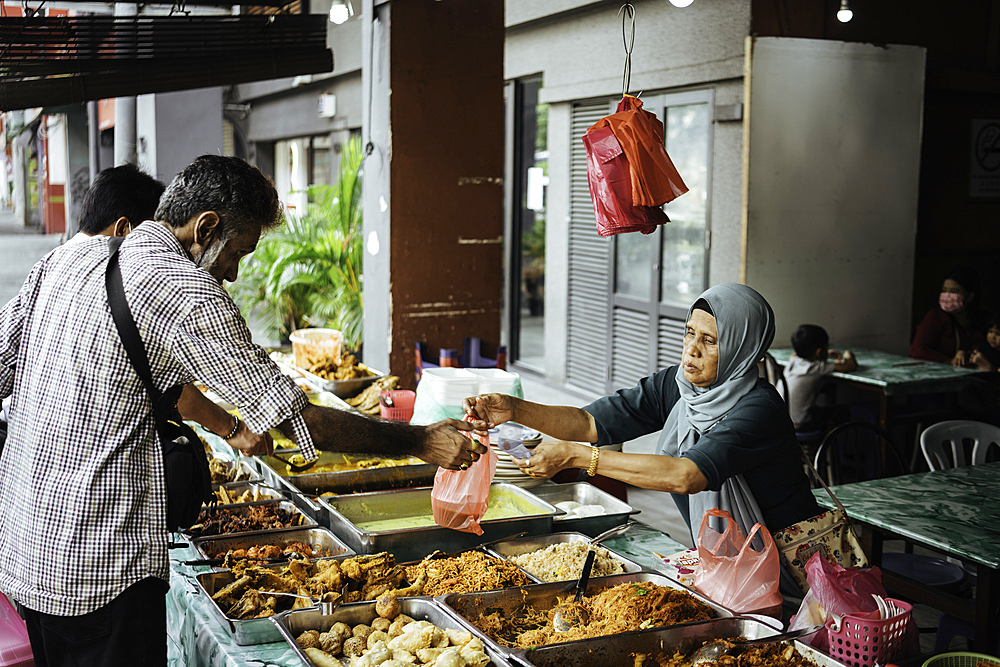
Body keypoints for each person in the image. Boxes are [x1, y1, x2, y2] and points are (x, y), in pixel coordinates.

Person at [0, 155, 485, 667]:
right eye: (237, 252)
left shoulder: (65, 260)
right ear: (204, 227)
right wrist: (421, 441)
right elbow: (294, 415)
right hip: (99, 570)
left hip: (26, 552)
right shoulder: (186, 290)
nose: (233, 272)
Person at [464, 283, 819, 552]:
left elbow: (687, 475)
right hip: (733, 559)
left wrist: (578, 456)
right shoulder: (679, 385)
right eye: (690, 332)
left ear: (743, 349)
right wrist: (515, 409)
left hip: (788, 559)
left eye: (710, 340)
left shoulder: (758, 409)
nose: (691, 349)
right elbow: (590, 423)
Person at [0, 164, 262, 457]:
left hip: (27, 469)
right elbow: (177, 392)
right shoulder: (128, 274)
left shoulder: (51, 265)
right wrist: (232, 428)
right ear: (126, 230)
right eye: (151, 233)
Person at [784, 324, 856, 432]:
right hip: (801, 424)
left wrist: (824, 353)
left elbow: (794, 354)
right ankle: (834, 446)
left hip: (783, 421)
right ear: (818, 352)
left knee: (827, 394)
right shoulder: (816, 367)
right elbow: (849, 366)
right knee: (842, 411)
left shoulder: (794, 361)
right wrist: (847, 355)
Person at [910, 267, 988, 366]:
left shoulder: (983, 319)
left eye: (954, 291)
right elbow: (917, 350)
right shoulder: (935, 317)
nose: (947, 295)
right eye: (944, 290)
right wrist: (950, 362)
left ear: (969, 296)